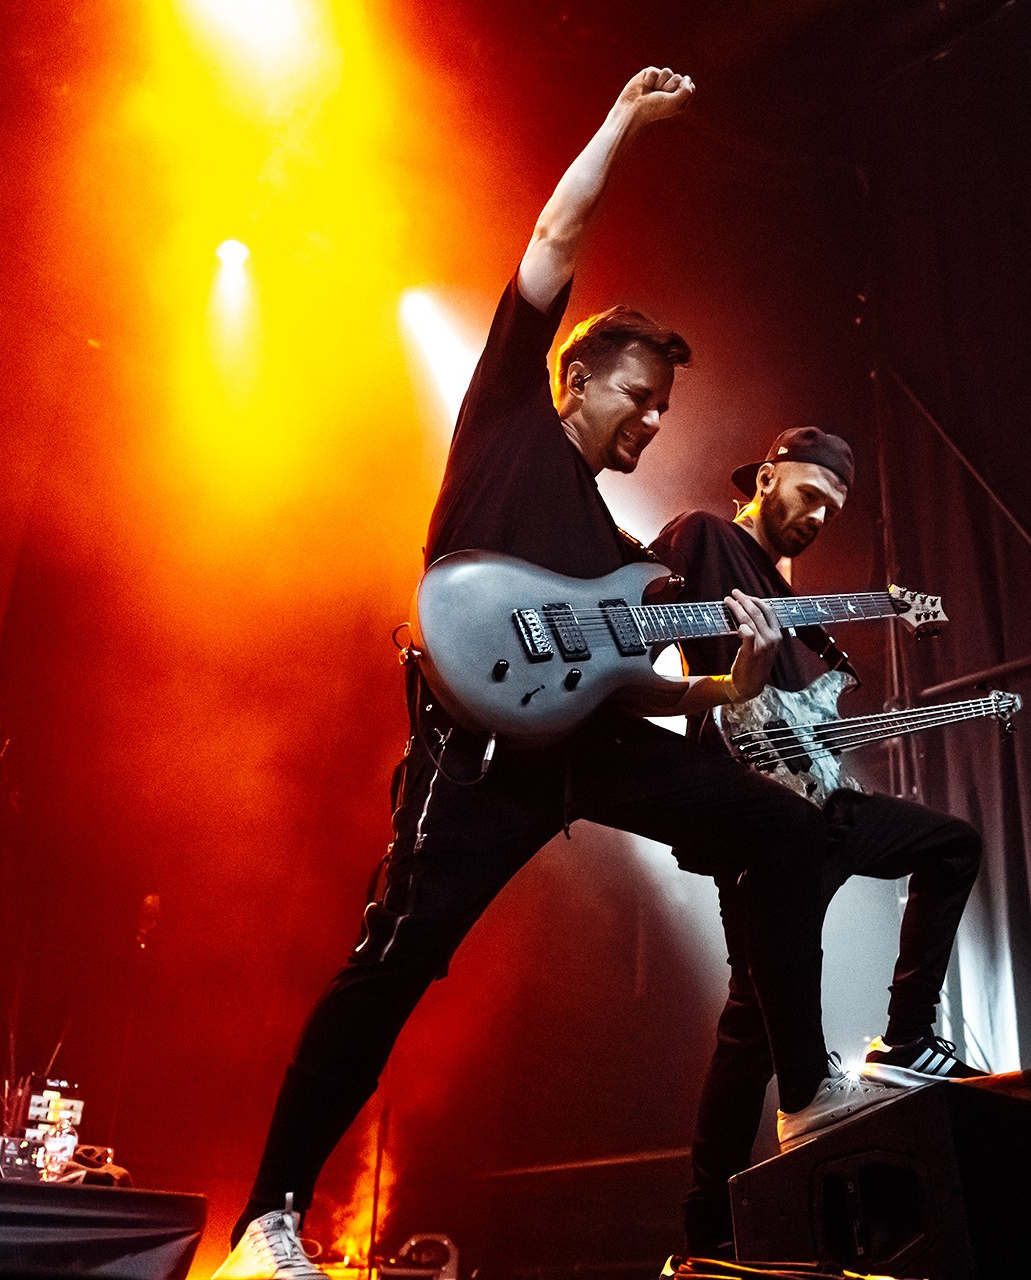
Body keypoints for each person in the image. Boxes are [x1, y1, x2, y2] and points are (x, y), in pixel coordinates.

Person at [214, 71, 899, 1280]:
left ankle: (803, 1089)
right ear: (577, 382)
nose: (654, 422)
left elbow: (637, 688)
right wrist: (624, 124)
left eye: (666, 408)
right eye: (641, 396)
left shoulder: (624, 556)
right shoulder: (505, 425)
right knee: (394, 962)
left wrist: (730, 683)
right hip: (477, 760)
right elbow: (553, 238)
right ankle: (267, 1219)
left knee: (793, 826)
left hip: (590, 751)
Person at [651, 426, 988, 1257]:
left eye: (834, 510)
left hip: (823, 808)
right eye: (809, 496)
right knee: (751, 1030)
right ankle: (705, 1238)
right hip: (760, 817)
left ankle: (906, 1039)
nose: (818, 517)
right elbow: (643, 603)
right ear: (767, 478)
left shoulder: (800, 609)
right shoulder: (710, 537)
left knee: (951, 845)